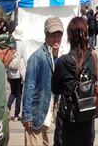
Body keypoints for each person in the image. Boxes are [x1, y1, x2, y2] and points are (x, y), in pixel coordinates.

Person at [52, 17, 98, 146]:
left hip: (67, 120)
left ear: (69, 36)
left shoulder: (63, 61)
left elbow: (55, 89)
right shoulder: (92, 58)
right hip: (87, 117)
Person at [22, 17, 63, 146]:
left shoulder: (57, 57)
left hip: (46, 115)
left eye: (59, 35)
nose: (56, 39)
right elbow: (29, 87)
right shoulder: (37, 57)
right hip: (36, 114)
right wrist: (27, 114)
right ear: (46, 35)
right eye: (53, 35)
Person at [6, 27, 27, 121]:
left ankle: (8, 108)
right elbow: (25, 59)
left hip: (10, 73)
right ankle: (16, 115)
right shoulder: (22, 45)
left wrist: (6, 72)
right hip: (18, 74)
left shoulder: (10, 44)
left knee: (12, 92)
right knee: (19, 94)